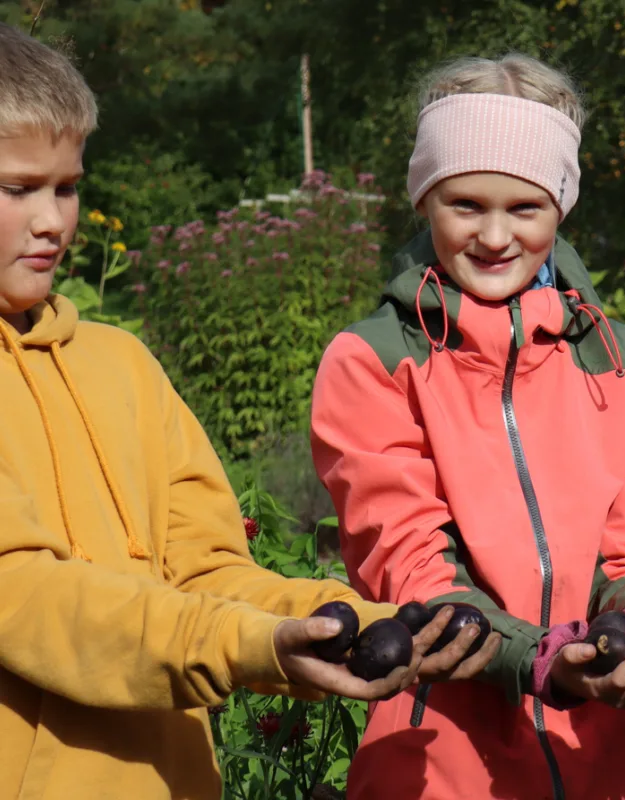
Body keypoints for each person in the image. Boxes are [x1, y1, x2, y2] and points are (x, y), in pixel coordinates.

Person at [0, 22, 496, 800]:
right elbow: (26, 600)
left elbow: (208, 570)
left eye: (66, 186)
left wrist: (344, 620)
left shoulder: (120, 365)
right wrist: (251, 646)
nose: (54, 221)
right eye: (18, 188)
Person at [309, 53, 625, 800]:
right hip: (442, 743)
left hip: (615, 747)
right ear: (423, 199)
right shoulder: (373, 360)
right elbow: (410, 562)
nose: (493, 236)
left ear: (562, 207)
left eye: (524, 209)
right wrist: (539, 659)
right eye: (464, 204)